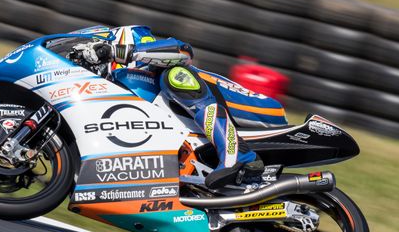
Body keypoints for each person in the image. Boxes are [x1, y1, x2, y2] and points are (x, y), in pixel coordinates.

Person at [72, 25, 287, 189]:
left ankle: (238, 154)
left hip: (260, 109)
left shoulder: (154, 64)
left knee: (174, 75)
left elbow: (183, 51)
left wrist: (116, 51)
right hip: (224, 119)